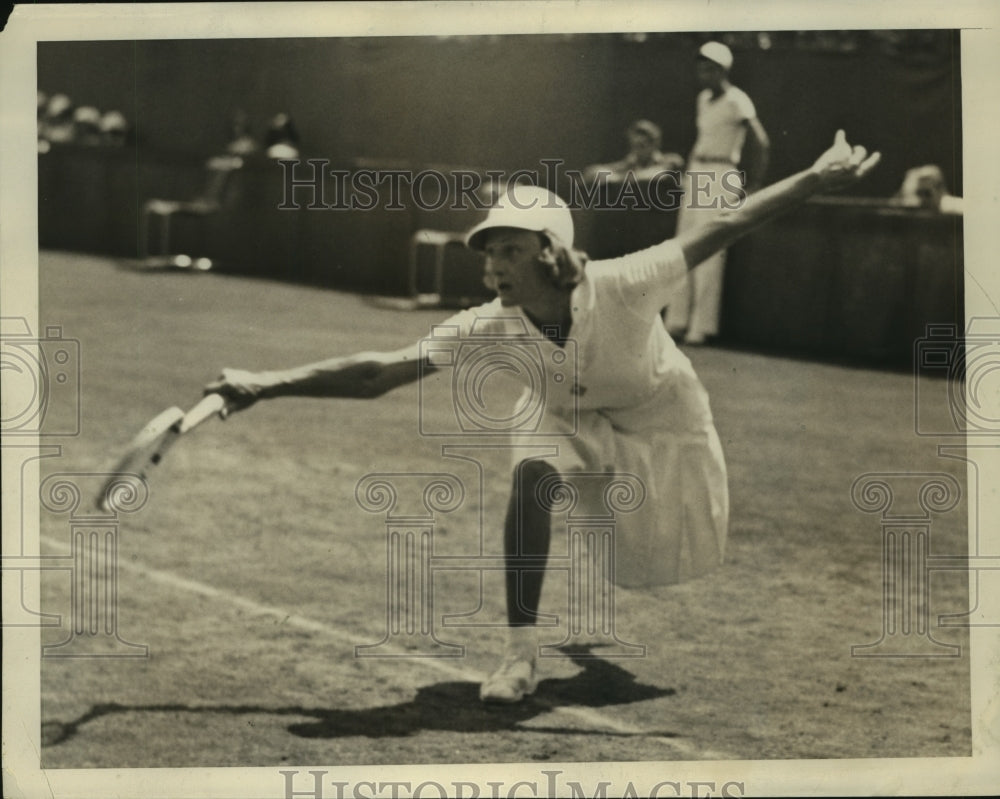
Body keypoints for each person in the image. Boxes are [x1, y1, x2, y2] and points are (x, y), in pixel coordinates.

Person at [205, 131, 879, 703]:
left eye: (510, 251)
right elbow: (381, 371)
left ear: (550, 252)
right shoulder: (486, 326)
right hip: (558, 414)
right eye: (490, 252)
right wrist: (265, 382)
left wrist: (816, 176)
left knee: (663, 556)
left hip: (660, 414)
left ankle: (583, 651)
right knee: (530, 476)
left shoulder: (626, 280)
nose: (494, 266)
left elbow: (727, 225)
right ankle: (519, 655)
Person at [664, 41, 771, 345]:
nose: (704, 73)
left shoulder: (738, 100)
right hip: (696, 173)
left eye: (710, 68)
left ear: (724, 70)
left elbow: (761, 142)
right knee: (684, 246)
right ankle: (677, 320)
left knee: (710, 249)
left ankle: (701, 326)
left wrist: (754, 186)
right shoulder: (703, 99)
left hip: (722, 176)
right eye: (701, 67)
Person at [582, 119, 685, 185]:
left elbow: (659, 175)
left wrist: (619, 179)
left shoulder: (672, 161)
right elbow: (591, 172)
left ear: (655, 144)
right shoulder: (630, 163)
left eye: (642, 145)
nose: (637, 150)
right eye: (634, 146)